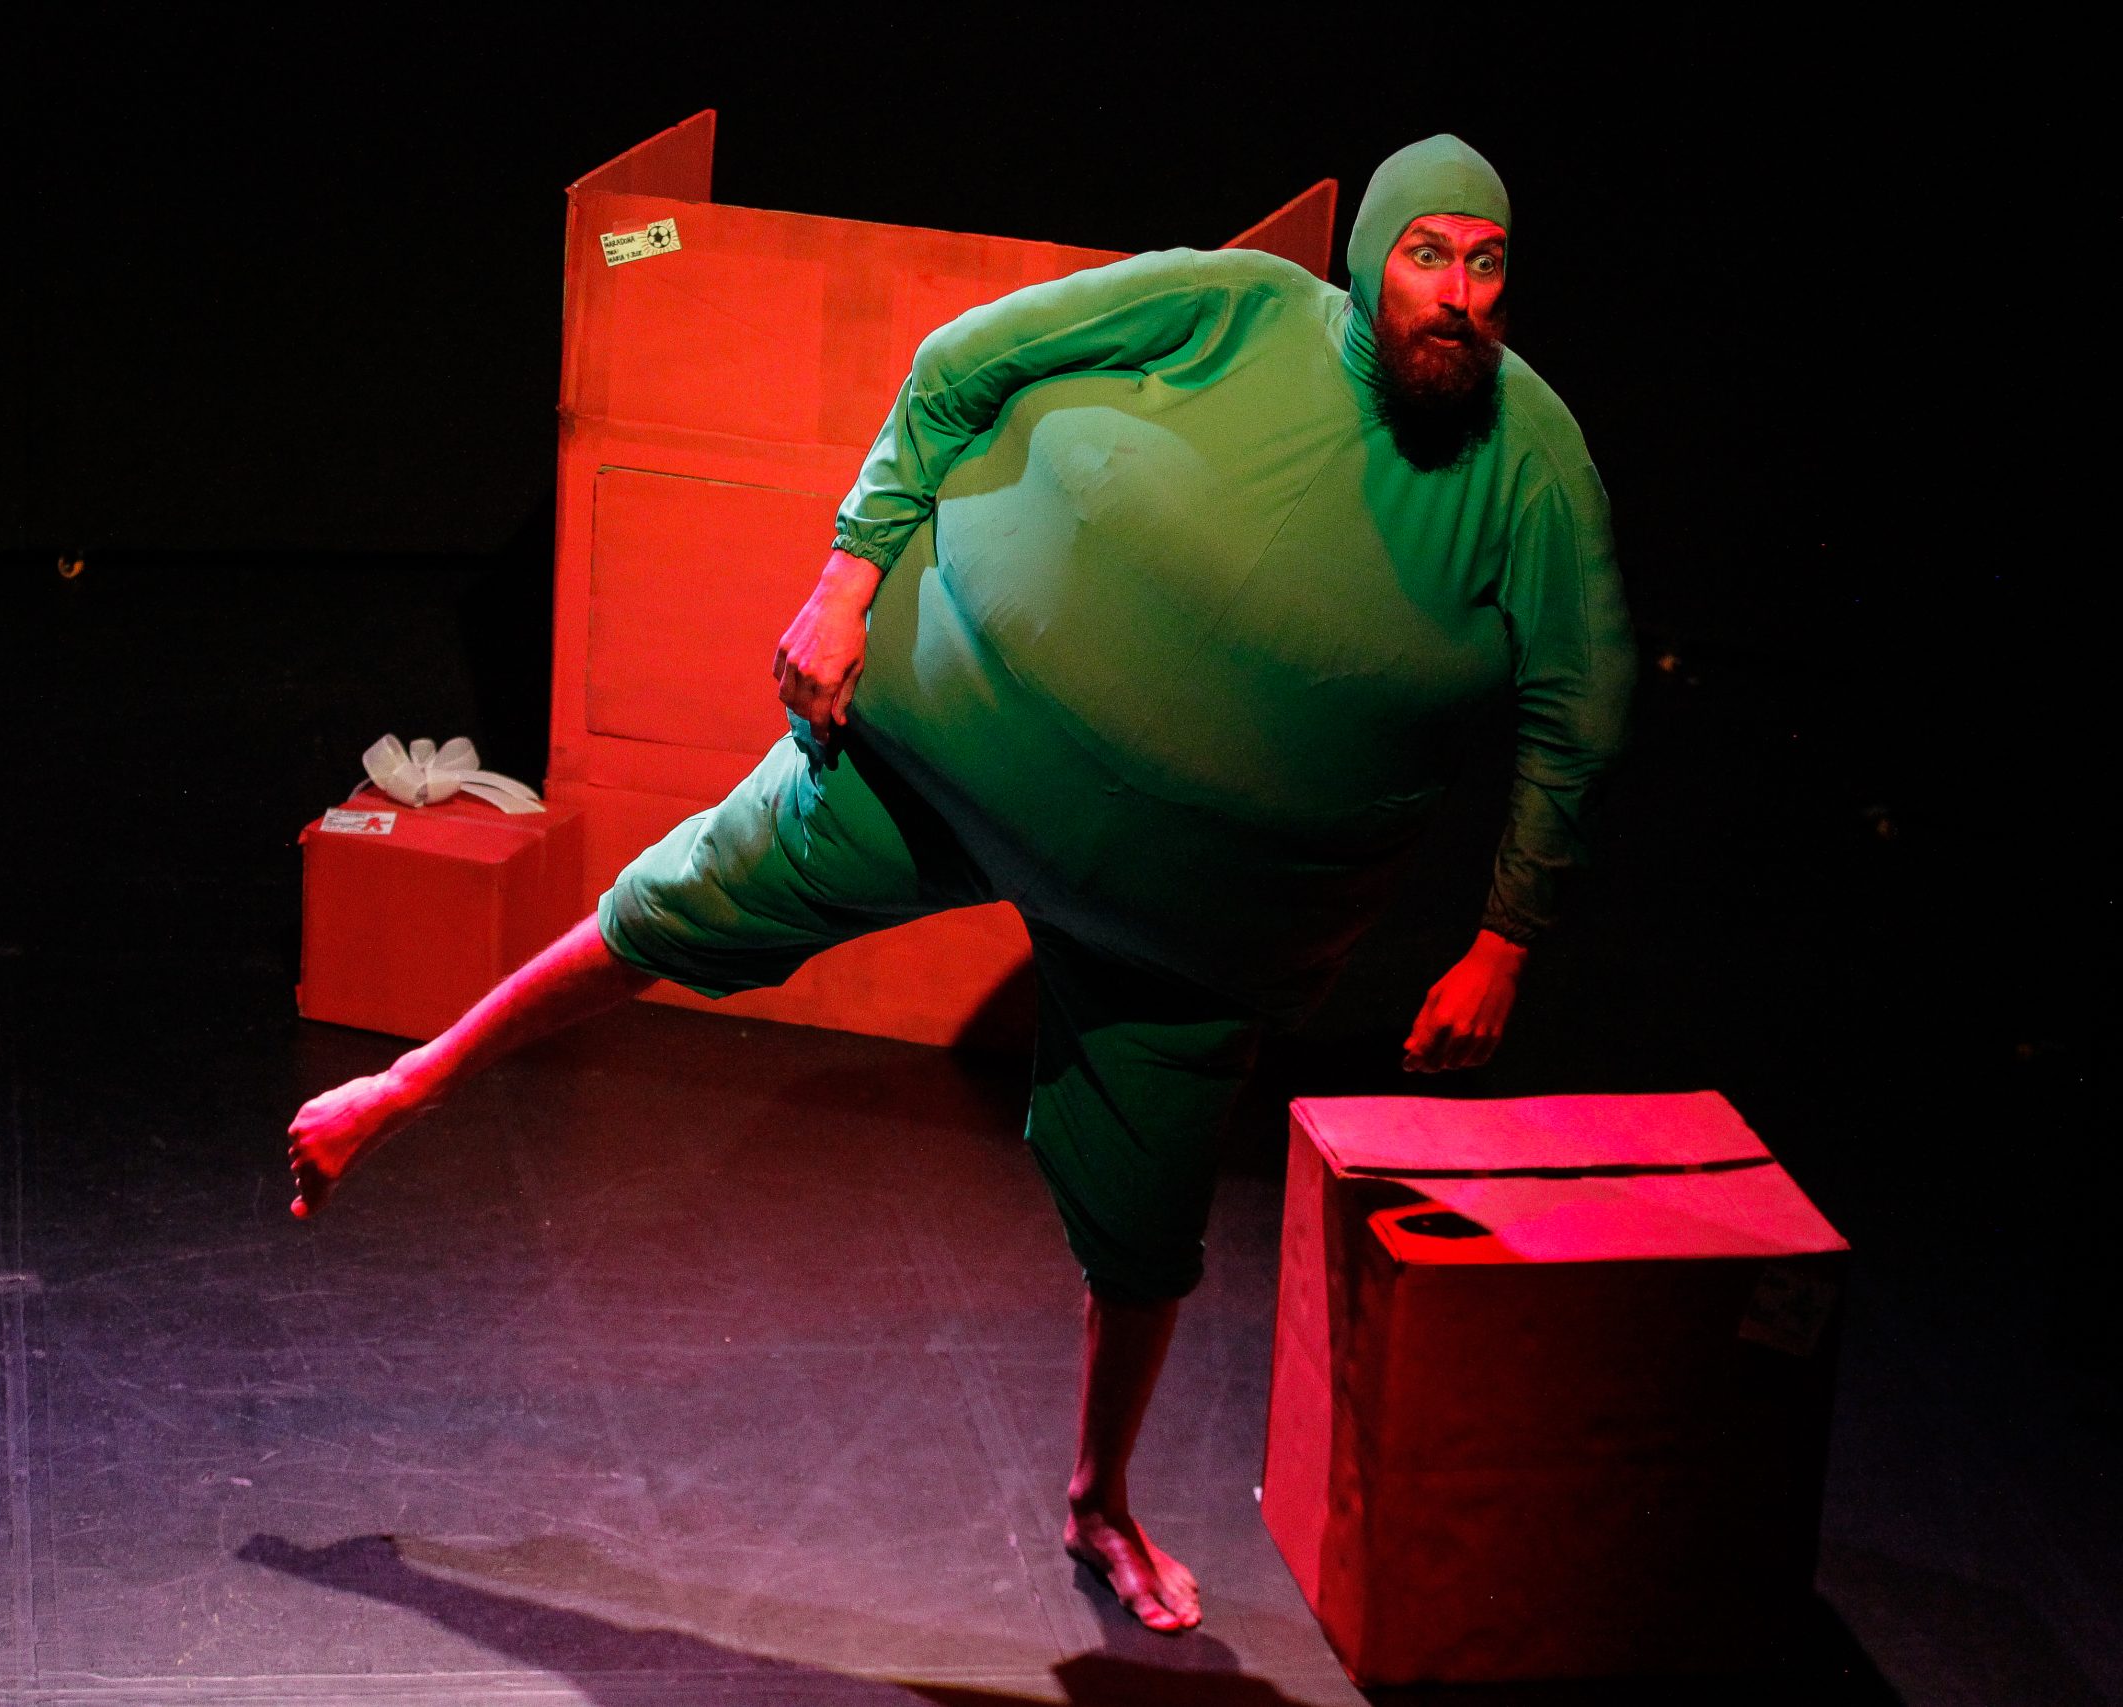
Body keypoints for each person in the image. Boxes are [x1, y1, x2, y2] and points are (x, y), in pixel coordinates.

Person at [286, 135, 1634, 1634]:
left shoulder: (1533, 458)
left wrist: (1507, 937)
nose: (1457, 294)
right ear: (1372, 258)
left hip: (1196, 925)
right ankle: (404, 1085)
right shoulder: (1239, 308)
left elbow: (1579, 708)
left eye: (1486, 264)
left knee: (1148, 1234)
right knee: (677, 903)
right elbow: (960, 363)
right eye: (1428, 255)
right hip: (946, 755)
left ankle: (1099, 1501)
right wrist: (848, 578)